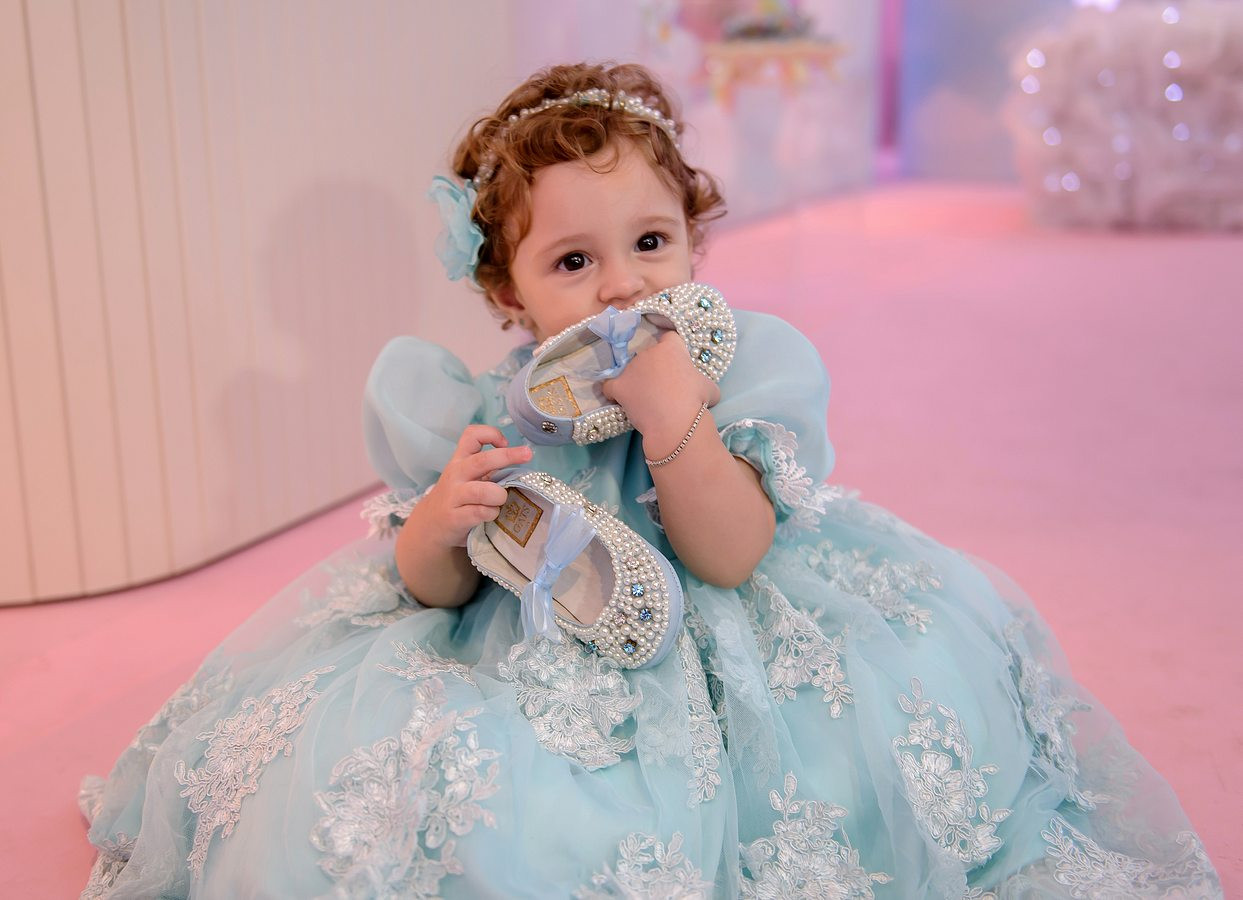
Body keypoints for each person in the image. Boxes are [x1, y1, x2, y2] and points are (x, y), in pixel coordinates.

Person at [81, 62, 1221, 899]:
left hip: (720, 604)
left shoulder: (736, 374)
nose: (623, 287)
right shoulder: (483, 408)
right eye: (573, 261)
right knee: (466, 782)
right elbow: (432, 588)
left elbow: (731, 554)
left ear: (691, 246)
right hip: (541, 634)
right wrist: (441, 524)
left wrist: (674, 420)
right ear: (509, 297)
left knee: (870, 732)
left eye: (651, 244)